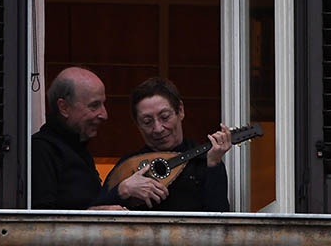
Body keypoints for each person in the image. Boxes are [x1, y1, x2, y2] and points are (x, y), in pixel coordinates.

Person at [94, 77, 232, 211]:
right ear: (137, 124)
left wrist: (214, 164)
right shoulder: (128, 166)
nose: (158, 128)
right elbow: (92, 213)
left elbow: (220, 221)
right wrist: (123, 190)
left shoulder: (204, 161)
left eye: (165, 117)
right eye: (147, 122)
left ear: (180, 111)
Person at [31, 66, 124, 210]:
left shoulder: (79, 148)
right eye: (94, 106)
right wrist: (91, 214)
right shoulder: (42, 150)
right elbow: (40, 221)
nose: (104, 114)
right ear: (64, 108)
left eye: (103, 104)